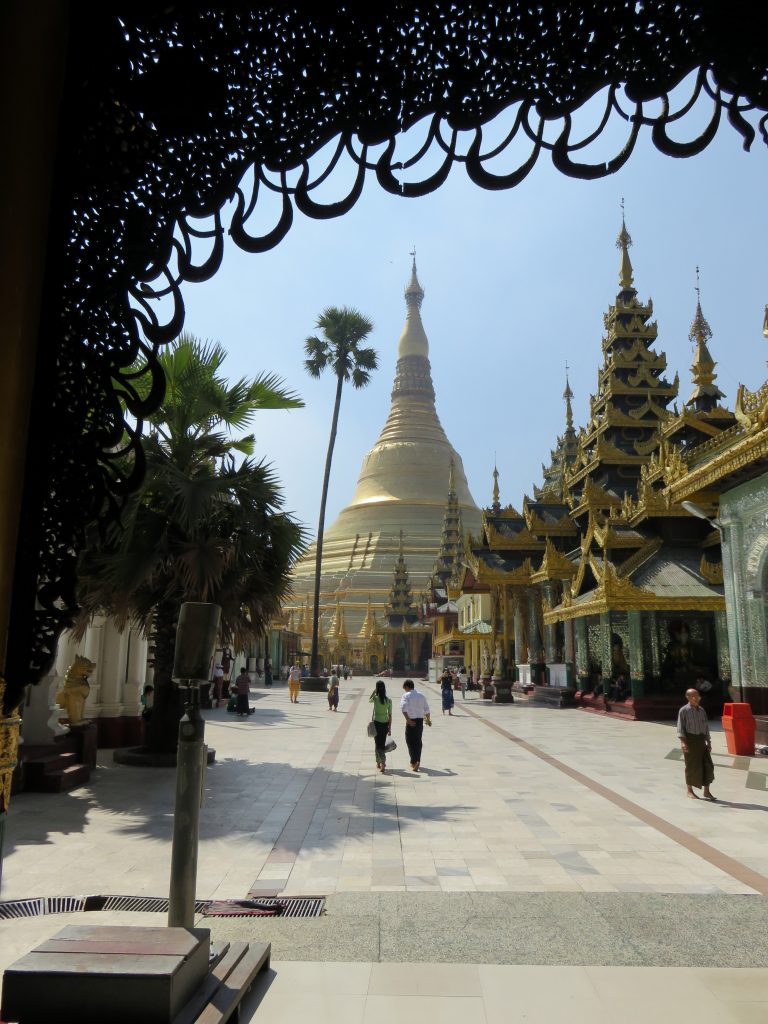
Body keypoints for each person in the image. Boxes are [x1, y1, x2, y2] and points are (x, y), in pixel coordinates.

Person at [677, 687, 716, 800]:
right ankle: (689, 790)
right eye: (693, 696)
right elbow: (680, 728)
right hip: (690, 740)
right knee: (692, 766)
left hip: (701, 740)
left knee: (707, 765)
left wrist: (708, 742)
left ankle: (706, 791)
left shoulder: (702, 710)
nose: (696, 698)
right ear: (688, 697)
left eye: (697, 695)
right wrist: (683, 742)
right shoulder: (683, 711)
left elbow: (706, 727)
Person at [400, 679, 431, 772]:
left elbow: (403, 708)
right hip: (420, 721)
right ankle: (417, 760)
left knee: (409, 740)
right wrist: (428, 720)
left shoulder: (406, 695)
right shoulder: (421, 695)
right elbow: (427, 710)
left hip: (411, 721)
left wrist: (408, 720)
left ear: (406, 687)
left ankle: (414, 762)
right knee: (418, 741)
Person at [369, 679, 392, 772]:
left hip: (376, 723)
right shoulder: (389, 700)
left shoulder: (375, 698)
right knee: (380, 743)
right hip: (385, 724)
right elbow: (390, 715)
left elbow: (369, 700)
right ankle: (378, 762)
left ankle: (382, 762)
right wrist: (389, 728)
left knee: (378, 744)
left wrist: (374, 691)